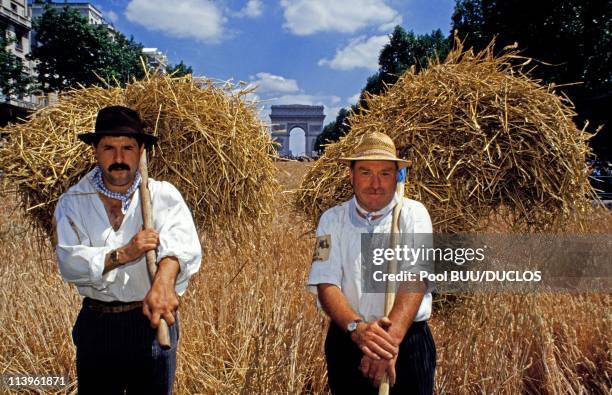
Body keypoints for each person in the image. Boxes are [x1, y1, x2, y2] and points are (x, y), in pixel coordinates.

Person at [53, 105, 202, 394]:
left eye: (128, 147)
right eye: (109, 147)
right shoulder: (73, 202)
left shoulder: (162, 194)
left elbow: (181, 245)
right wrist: (126, 252)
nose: (118, 158)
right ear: (94, 149)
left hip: (150, 322)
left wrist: (163, 282)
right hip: (98, 326)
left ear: (141, 150)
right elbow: (70, 263)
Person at [307, 132, 436, 394]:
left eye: (385, 173)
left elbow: (416, 278)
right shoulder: (332, 220)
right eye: (366, 172)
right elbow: (326, 282)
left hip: (407, 344)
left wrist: (388, 344)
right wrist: (359, 331)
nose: (375, 183)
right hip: (349, 340)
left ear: (397, 176)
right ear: (350, 175)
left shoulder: (414, 215)